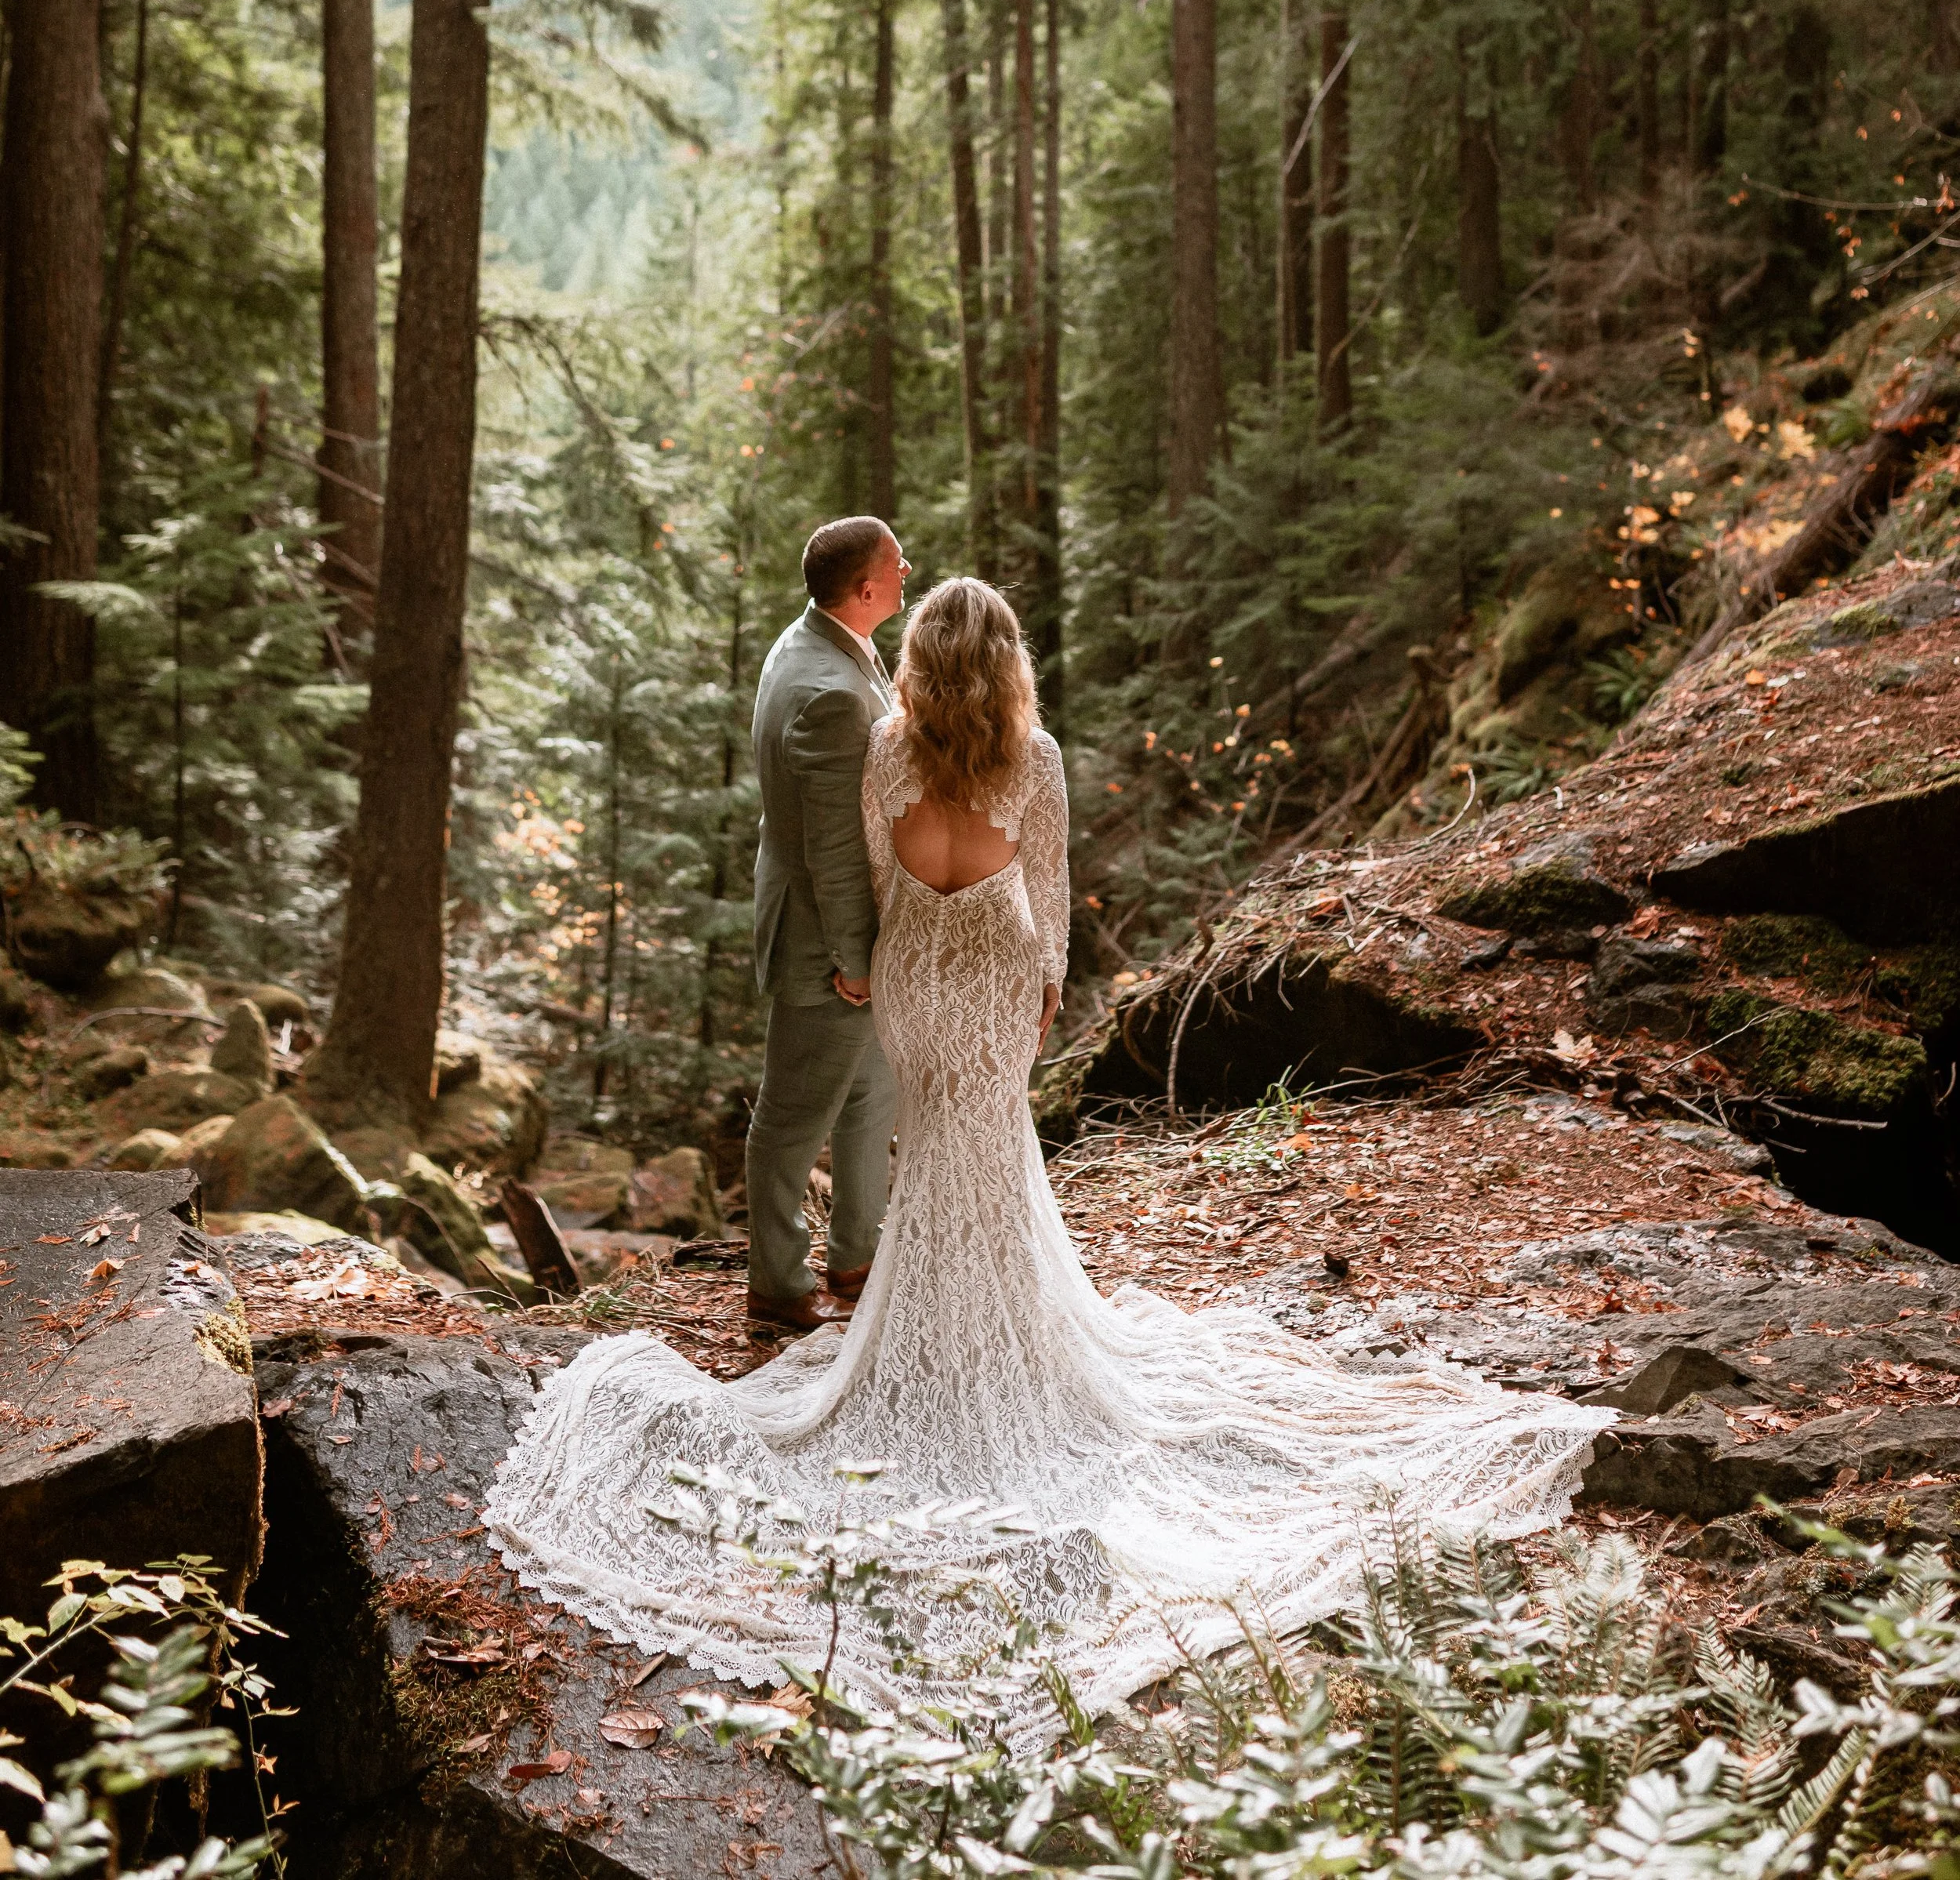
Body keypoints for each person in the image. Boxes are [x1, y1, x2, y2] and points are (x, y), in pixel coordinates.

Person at [487, 577, 1606, 1740]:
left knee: (937, 1152)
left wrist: (894, 955)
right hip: (994, 970)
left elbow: (876, 866)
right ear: (1010, 661)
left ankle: (944, 1336)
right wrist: (1050, 983)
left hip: (920, 976)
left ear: (919, 658)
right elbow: (1054, 884)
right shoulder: (1039, 752)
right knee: (990, 1150)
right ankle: (997, 1338)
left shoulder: (885, 746)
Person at [743, 514, 906, 1333]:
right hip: (825, 938)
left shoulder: (809, 643)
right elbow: (833, 846)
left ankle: (856, 1254)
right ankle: (775, 1281)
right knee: (792, 1115)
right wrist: (855, 956)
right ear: (868, 587)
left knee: (869, 1098)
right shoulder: (832, 695)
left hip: (846, 930)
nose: (907, 571)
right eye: (896, 563)